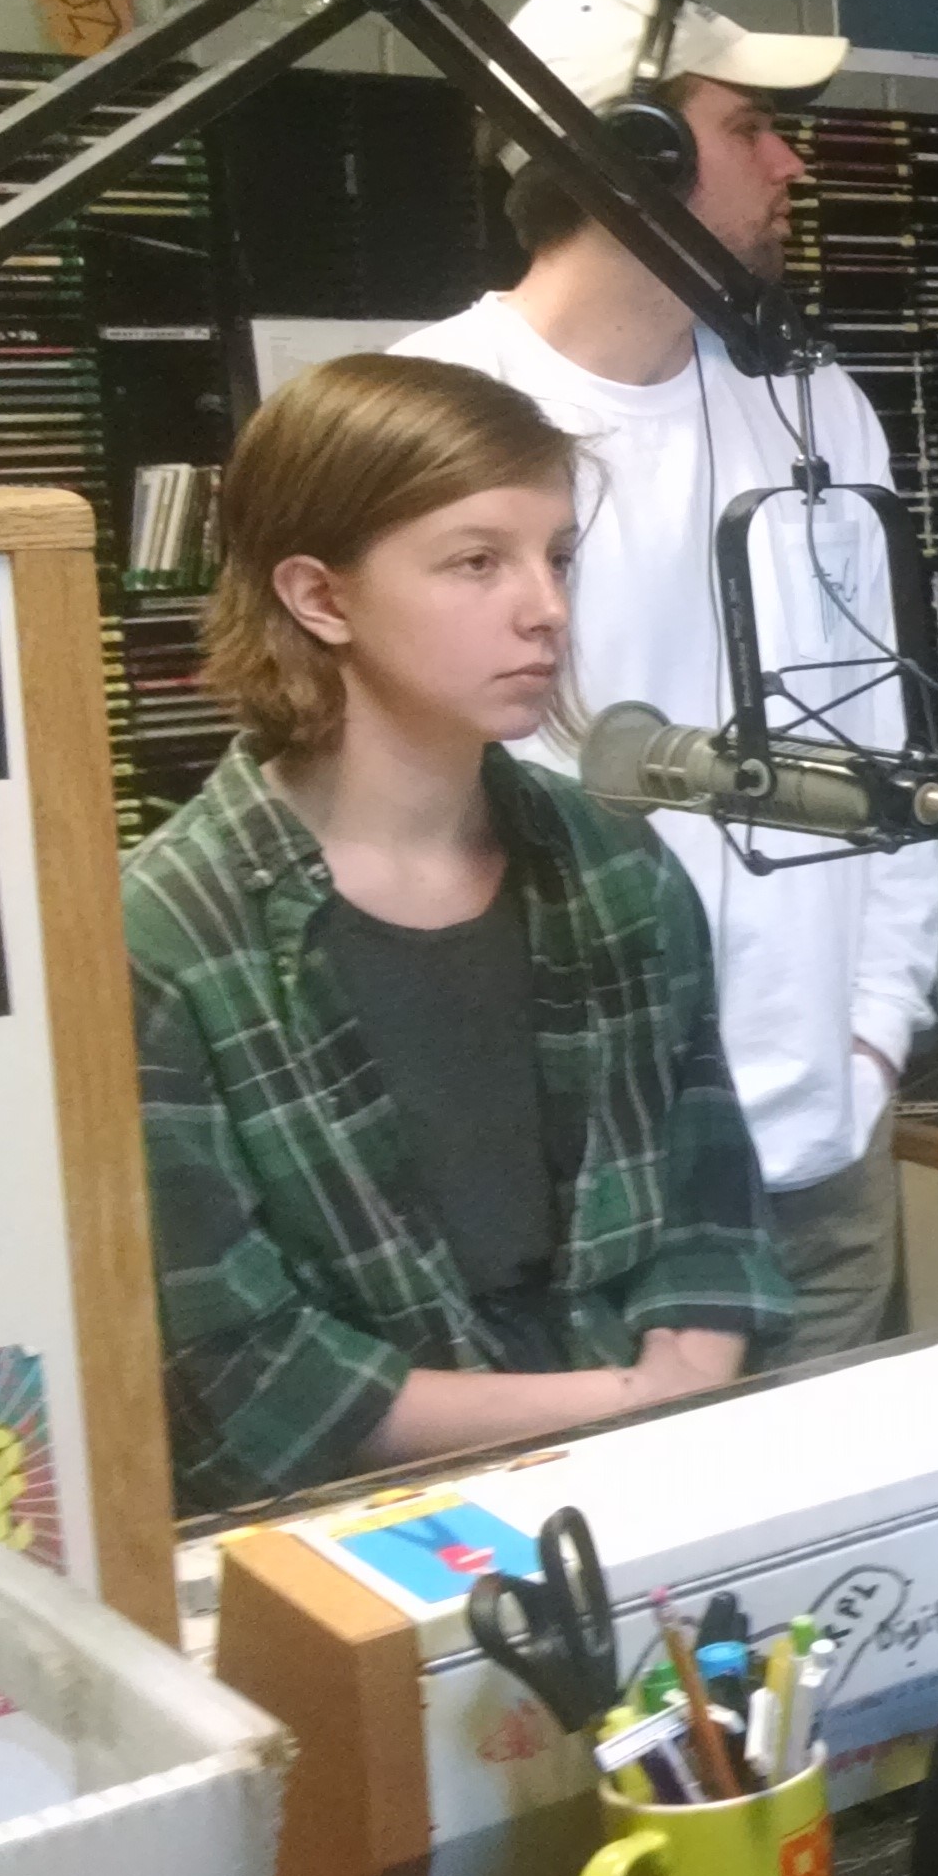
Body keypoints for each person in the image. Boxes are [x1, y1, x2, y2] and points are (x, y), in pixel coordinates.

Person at [131, 356, 790, 1511]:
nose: (544, 605)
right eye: (477, 561)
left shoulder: (613, 864)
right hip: (353, 1551)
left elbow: (710, 1204)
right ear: (319, 596)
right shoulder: (164, 935)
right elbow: (241, 1377)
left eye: (558, 556)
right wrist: (626, 1404)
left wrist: (677, 1394)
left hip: (660, 1486)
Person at [397, 0, 936, 1362]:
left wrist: (873, 1038)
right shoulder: (431, 411)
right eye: (748, 125)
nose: (788, 161)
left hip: (819, 1158)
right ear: (630, 148)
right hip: (583, 1193)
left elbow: (888, 746)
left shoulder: (815, 409)